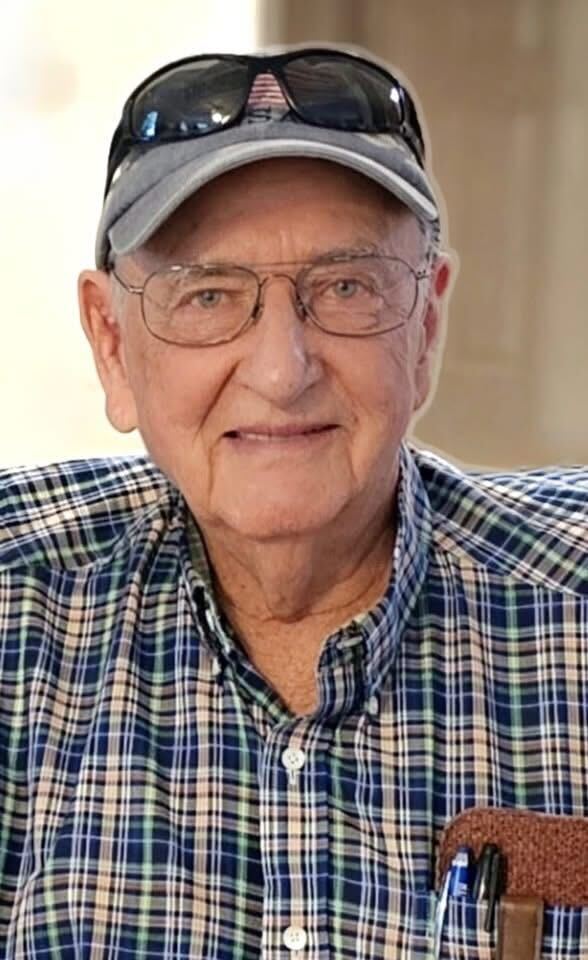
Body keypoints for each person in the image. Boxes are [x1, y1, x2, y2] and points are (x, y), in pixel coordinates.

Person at [1, 45, 587, 960]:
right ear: (112, 344)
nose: (281, 371)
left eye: (346, 288)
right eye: (207, 296)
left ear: (427, 326)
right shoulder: (17, 605)